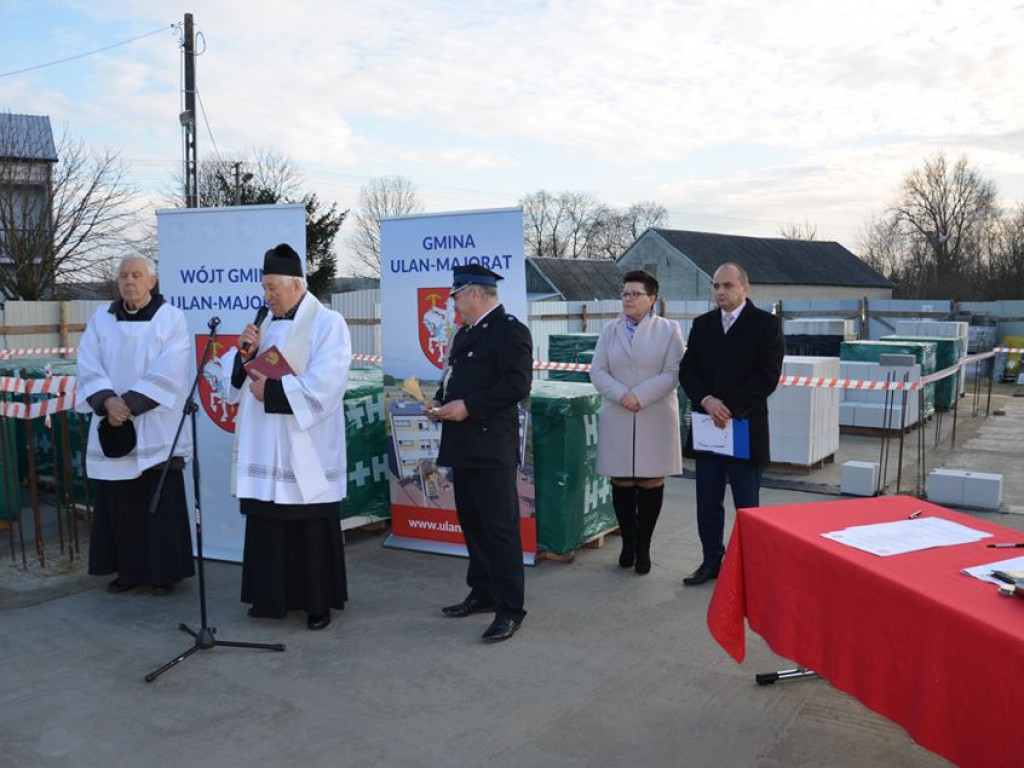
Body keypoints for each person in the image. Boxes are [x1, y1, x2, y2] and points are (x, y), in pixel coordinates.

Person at [227, 243, 352, 630]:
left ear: (297, 285)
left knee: (307, 524)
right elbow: (238, 381)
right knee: (268, 522)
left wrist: (274, 391)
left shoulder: (328, 323)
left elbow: (329, 382)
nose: (266, 296)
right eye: (264, 287)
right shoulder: (264, 325)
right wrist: (244, 355)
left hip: (305, 445)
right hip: (266, 442)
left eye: (272, 288)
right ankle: (271, 598)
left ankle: (317, 603)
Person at [76, 255, 195, 595]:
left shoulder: (171, 318)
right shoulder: (102, 318)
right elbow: (88, 362)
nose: (129, 281)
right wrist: (107, 402)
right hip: (114, 422)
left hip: (154, 425)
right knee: (121, 505)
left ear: (152, 281)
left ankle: (163, 573)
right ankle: (127, 571)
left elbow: (172, 367)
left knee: (159, 503)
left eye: (137, 275)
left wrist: (127, 404)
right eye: (124, 275)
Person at [427, 264, 533, 643]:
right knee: (473, 524)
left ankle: (510, 609)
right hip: (463, 444)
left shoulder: (509, 331)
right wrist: (438, 402)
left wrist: (469, 407)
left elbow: (517, 384)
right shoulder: (465, 333)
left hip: (490, 447)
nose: (453, 303)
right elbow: (454, 379)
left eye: (456, 296)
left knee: (500, 530)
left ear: (473, 293)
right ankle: (483, 592)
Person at [678, 262, 784, 585]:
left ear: (745, 287)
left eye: (727, 285)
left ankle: (749, 570)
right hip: (708, 427)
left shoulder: (766, 325)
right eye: (716, 286)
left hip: (744, 427)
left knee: (747, 506)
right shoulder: (703, 325)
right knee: (707, 501)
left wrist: (730, 408)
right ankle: (711, 561)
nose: (721, 291)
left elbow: (767, 375)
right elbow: (688, 370)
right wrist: (707, 400)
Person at [590, 270, 684, 575]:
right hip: (618, 412)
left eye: (635, 294)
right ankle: (627, 545)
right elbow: (597, 371)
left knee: (650, 479)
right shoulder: (610, 330)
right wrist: (622, 395)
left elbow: (672, 373)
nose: (628, 299)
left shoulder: (668, 330)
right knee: (622, 480)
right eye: (625, 294)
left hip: (654, 413)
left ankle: (644, 547)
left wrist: (640, 396)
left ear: (652, 298)